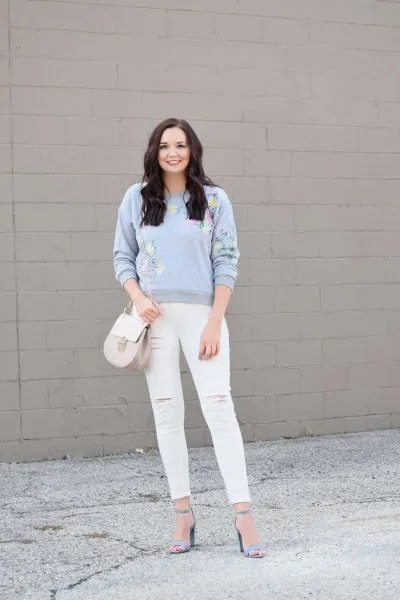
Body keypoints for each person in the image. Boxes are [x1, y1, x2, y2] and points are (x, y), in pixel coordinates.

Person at [113, 117, 266, 558]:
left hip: (203, 316)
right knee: (166, 413)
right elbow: (123, 256)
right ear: (154, 152)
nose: (173, 152)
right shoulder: (138, 198)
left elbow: (227, 260)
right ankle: (183, 515)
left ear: (192, 150)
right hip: (154, 319)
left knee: (219, 408)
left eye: (180, 145)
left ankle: (244, 516)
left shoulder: (215, 200)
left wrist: (215, 320)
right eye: (165, 145)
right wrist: (138, 297)